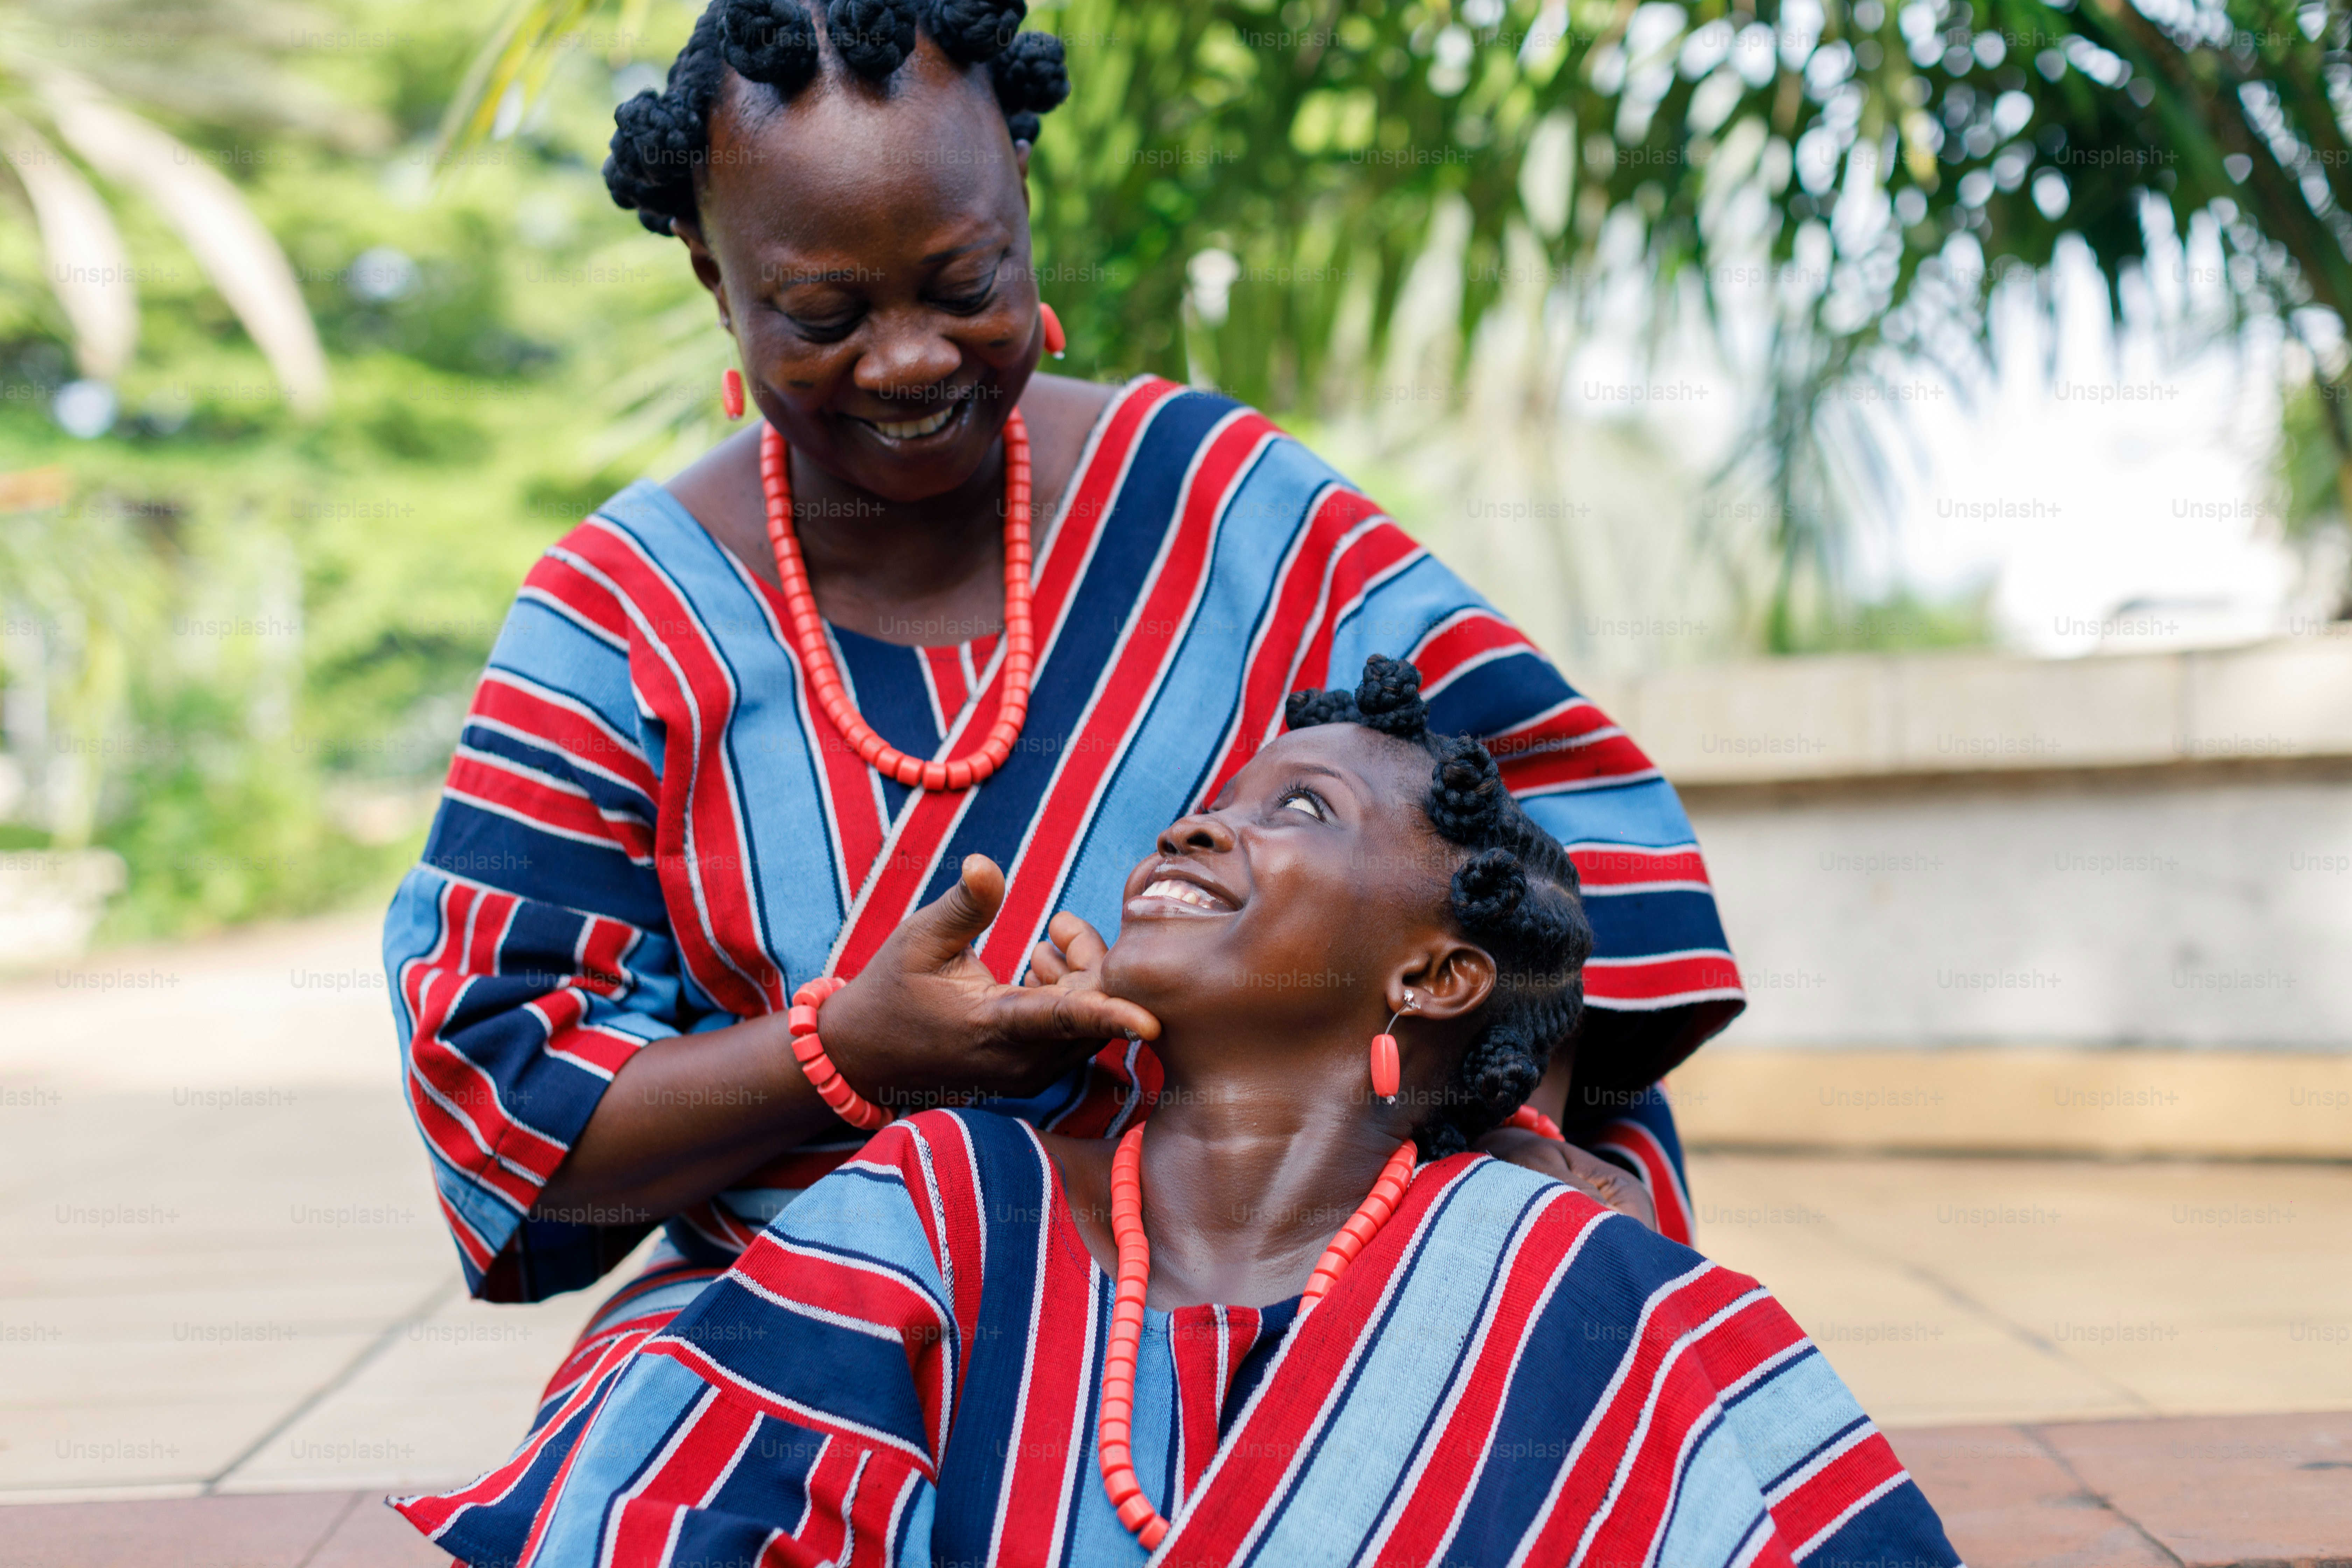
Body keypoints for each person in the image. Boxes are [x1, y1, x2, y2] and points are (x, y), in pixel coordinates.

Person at [383, 0, 1742, 1438]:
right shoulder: (613, 623)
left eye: (964, 282)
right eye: (826, 316)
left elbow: (1578, 852)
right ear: (713, 274)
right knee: (671, 1446)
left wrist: (1497, 1143)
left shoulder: (1220, 504)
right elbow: (517, 1130)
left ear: (1023, 198)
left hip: (1288, 1273)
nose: (910, 361)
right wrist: (847, 1050)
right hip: (840, 1314)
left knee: (1554, 1326)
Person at [395, 657, 1955, 1568]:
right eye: (1225, 787)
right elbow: (667, 1518)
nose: (1205, 817)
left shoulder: (1576, 1283)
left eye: (1304, 809)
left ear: (1434, 970)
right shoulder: (948, 1203)